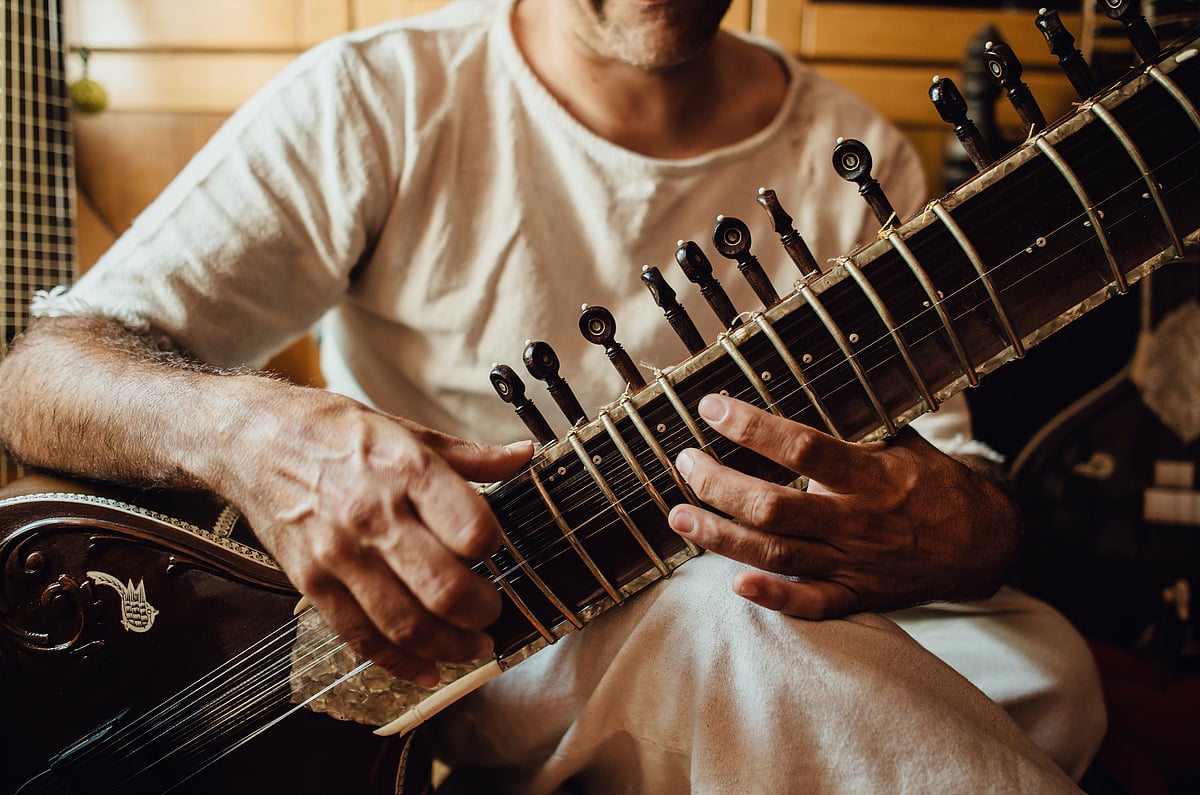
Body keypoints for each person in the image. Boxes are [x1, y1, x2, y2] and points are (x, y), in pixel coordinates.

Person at [0, 0, 1105, 791]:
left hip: (788, 592)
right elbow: (36, 375)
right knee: (731, 629)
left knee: (1050, 669)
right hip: (476, 635)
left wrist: (962, 528)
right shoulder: (380, 96)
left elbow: (944, 473)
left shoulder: (849, 148)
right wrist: (251, 430)